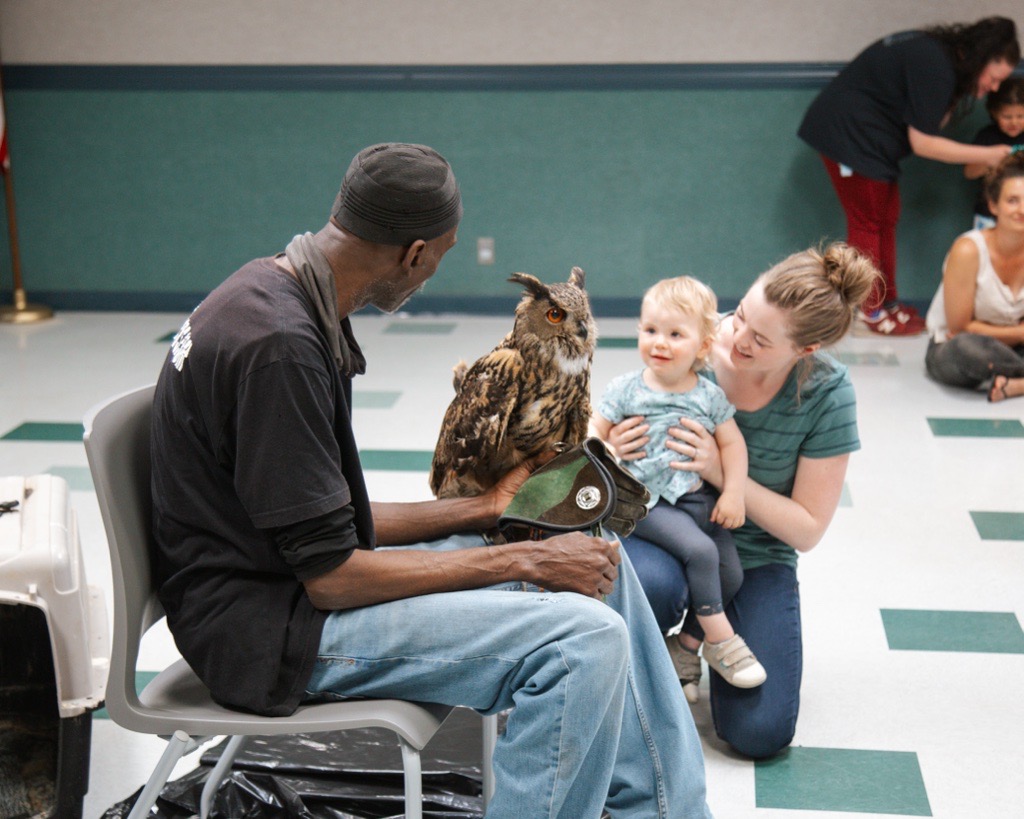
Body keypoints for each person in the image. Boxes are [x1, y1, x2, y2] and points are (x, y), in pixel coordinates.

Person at [149, 142, 713, 818]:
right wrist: (526, 556)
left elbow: (321, 521)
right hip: (268, 635)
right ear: (413, 252)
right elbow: (332, 575)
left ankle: (668, 811)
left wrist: (484, 509)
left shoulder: (274, 288)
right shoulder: (281, 347)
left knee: (598, 565)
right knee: (581, 643)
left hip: (281, 583)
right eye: (442, 253)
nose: (433, 270)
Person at [604, 244, 879, 759]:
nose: (735, 337)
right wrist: (610, 452)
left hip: (754, 556)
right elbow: (621, 414)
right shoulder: (700, 338)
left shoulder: (828, 394)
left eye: (759, 339)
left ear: (806, 350)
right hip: (664, 531)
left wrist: (720, 469)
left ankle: (690, 646)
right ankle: (646, 661)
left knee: (760, 733)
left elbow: (805, 530)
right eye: (742, 315)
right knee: (654, 583)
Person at [592, 276, 766, 705]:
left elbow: (732, 445)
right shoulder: (625, 390)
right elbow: (589, 434)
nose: (659, 343)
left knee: (731, 573)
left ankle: (685, 648)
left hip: (694, 497)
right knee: (701, 552)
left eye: (675, 334)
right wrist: (609, 448)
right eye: (650, 330)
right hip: (641, 500)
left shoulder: (708, 396)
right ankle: (723, 641)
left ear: (703, 346)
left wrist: (733, 494)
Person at [798, 17, 1019, 336]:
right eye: (994, 78)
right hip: (850, 136)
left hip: (872, 140)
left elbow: (928, 122)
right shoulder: (936, 65)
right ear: (982, 59)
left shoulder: (941, 60)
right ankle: (869, 310)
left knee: (885, 218)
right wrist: (990, 155)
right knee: (868, 221)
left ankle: (887, 303)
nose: (994, 88)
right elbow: (924, 142)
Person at [925, 152, 1024, 402]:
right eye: (1013, 200)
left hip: (1012, 348)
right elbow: (960, 328)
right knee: (969, 350)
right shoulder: (968, 249)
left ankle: (1015, 384)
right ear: (994, 206)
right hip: (959, 348)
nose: (1022, 210)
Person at [965, 78, 1024, 230]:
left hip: (1022, 212)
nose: (1014, 122)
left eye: (1020, 116)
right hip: (989, 214)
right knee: (986, 252)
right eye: (1007, 117)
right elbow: (969, 172)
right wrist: (990, 160)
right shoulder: (987, 136)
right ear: (994, 113)